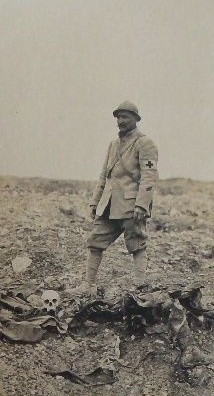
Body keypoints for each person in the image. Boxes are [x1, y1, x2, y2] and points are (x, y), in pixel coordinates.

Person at [75, 101, 159, 294]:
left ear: (136, 119)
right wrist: (95, 202)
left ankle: (140, 287)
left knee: (136, 244)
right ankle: (88, 285)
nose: (120, 121)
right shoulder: (113, 144)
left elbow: (149, 176)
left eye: (125, 117)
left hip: (131, 205)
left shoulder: (145, 143)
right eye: (118, 117)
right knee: (95, 241)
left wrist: (142, 205)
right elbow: (104, 175)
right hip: (109, 204)